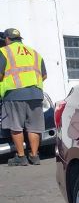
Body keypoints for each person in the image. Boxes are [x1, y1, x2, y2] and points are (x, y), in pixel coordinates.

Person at [0, 27, 48, 166]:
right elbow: (44, 75)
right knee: (34, 127)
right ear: (20, 39)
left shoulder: (4, 51)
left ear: (7, 39)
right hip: (36, 93)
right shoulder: (34, 53)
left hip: (14, 93)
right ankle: (34, 156)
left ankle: (21, 157)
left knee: (16, 126)